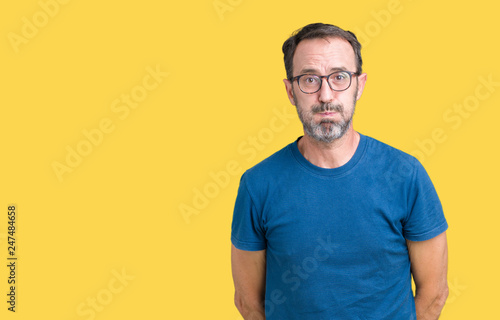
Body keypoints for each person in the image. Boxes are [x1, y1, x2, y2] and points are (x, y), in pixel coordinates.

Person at [230, 23, 448, 319]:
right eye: (309, 79)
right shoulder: (258, 185)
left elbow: (434, 294)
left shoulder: (406, 175)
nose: (326, 95)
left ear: (359, 85)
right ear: (291, 91)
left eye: (339, 77)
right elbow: (248, 302)